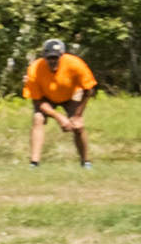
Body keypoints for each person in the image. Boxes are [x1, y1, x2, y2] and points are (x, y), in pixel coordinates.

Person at [24, 39, 96, 169]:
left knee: (78, 126)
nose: (52, 61)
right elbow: (37, 101)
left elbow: (89, 89)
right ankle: (34, 163)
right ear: (44, 57)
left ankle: (86, 161)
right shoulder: (34, 69)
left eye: (55, 58)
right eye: (49, 58)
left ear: (62, 56)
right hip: (46, 98)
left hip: (70, 96)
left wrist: (78, 115)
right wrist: (59, 117)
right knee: (38, 118)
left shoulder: (75, 64)